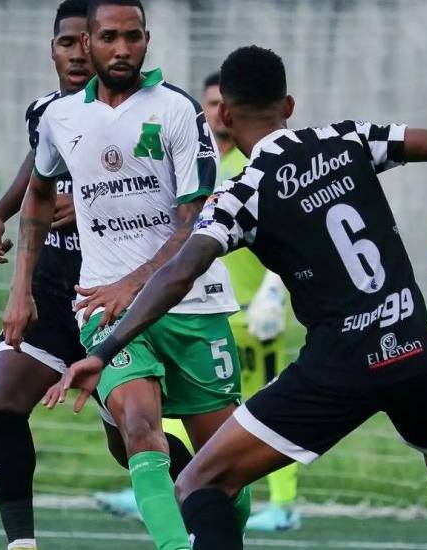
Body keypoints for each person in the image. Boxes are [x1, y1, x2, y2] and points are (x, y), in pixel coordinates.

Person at [49, 45, 427, 550]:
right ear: (288, 105)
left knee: (199, 483)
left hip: (340, 365)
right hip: (412, 346)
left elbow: (179, 273)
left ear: (224, 115)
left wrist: (105, 350)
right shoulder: (347, 139)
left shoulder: (243, 194)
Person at [4, 1, 250, 548]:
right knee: (139, 428)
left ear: (146, 40)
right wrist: (21, 286)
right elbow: (38, 193)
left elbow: (196, 219)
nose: (122, 49)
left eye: (133, 37)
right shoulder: (60, 118)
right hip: (103, 307)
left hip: (192, 304)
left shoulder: (178, 110)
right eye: (109, 37)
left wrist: (133, 283)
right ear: (87, 41)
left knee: (225, 468)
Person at [0, 2, 192, 548]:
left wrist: (91, 203)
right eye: (65, 43)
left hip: (114, 291)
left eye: (83, 41)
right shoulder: (48, 113)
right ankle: (21, 543)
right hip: (54, 289)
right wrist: (1, 218)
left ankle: (208, 493)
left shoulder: (149, 112)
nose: (77, 54)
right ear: (53, 50)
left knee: (131, 440)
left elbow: (172, 196)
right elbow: (38, 172)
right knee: (3, 400)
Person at [95, 72, 301, 532]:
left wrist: (274, 289)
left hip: (256, 311)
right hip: (196, 306)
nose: (215, 112)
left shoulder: (255, 161)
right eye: (208, 102)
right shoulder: (191, 161)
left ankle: (283, 502)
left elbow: (286, 228)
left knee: (265, 407)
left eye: (220, 102)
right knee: (172, 406)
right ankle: (173, 489)